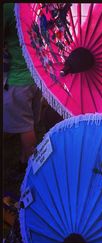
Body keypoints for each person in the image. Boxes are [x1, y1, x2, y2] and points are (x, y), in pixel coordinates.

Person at [3, 3, 42, 172]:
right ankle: (24, 158)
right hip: (37, 74)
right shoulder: (34, 5)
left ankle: (33, 169)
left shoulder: (8, 8)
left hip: (17, 79)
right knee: (30, 123)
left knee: (25, 127)